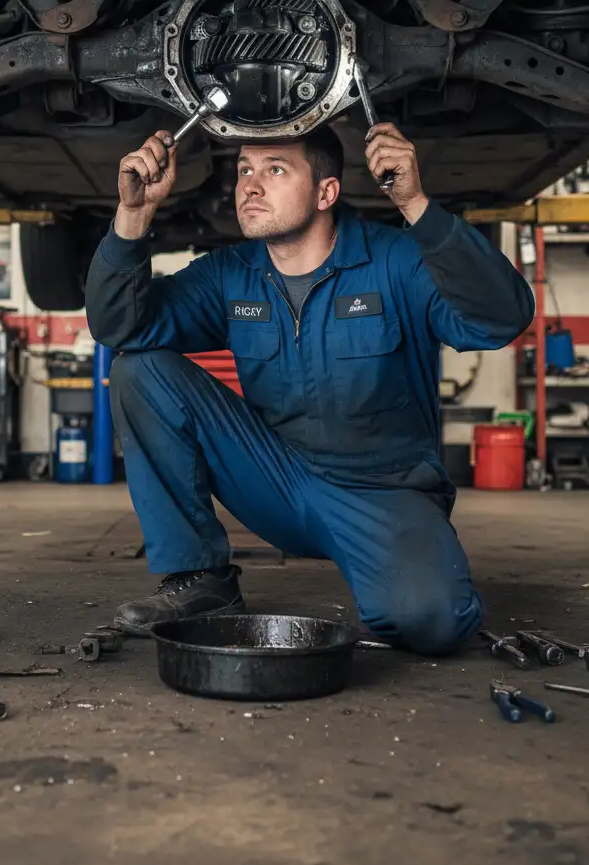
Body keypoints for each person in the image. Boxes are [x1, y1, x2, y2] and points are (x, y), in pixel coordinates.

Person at [85, 120, 535, 655]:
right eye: (245, 169)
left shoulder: (394, 262)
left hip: (382, 494)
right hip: (275, 479)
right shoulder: (232, 273)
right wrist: (134, 216)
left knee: (433, 623)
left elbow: (501, 320)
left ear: (326, 192)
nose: (250, 186)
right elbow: (120, 327)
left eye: (275, 170)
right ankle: (200, 581)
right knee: (142, 366)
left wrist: (417, 206)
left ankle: (405, 574)